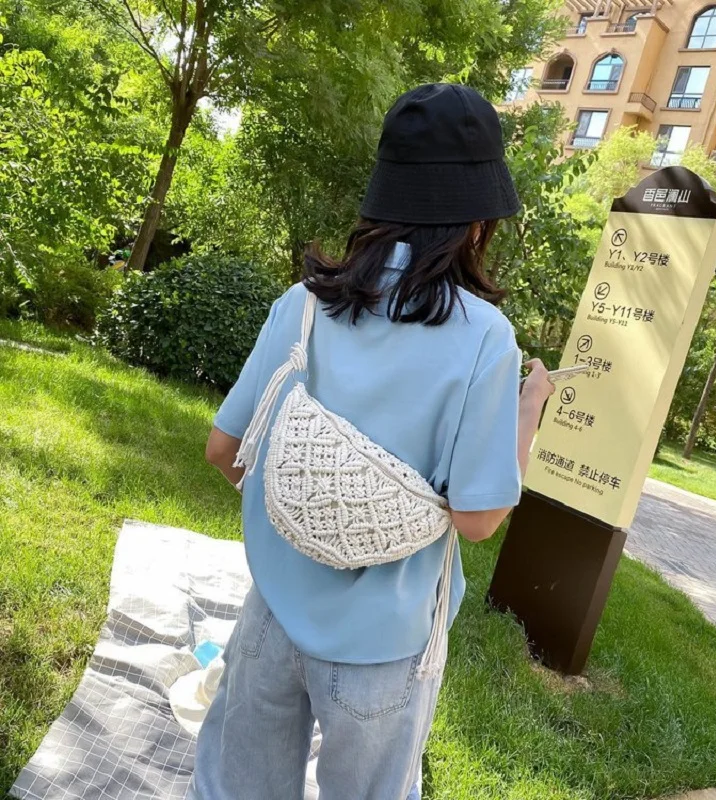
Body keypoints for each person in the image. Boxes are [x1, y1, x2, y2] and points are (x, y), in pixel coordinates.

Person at [191, 82, 555, 800]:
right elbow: (477, 520)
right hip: (384, 647)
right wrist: (529, 412)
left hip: (270, 615)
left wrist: (310, 496)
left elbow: (223, 451)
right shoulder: (485, 339)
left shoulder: (303, 305)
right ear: (478, 220)